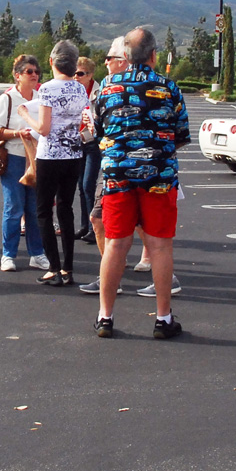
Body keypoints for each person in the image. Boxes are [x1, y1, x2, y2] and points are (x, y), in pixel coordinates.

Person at [91, 27, 190, 339]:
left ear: (125, 56)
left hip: (117, 176)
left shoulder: (106, 87)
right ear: (153, 55)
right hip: (158, 176)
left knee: (116, 244)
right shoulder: (169, 88)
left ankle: (105, 317)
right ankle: (163, 318)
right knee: (159, 245)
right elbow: (181, 136)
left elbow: (97, 132)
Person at [18, 40, 88, 286]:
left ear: (51, 62)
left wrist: (25, 114)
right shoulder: (81, 89)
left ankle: (54, 267)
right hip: (73, 155)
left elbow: (44, 129)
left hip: (50, 156)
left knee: (43, 211)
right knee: (66, 209)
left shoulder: (47, 89)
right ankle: (68, 267)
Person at [0, 55, 50, 272]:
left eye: (36, 71)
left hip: (37, 158)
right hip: (15, 158)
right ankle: (8, 255)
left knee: (35, 209)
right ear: (17, 76)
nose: (34, 75)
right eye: (29, 72)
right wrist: (18, 133)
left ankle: (37, 253)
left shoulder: (41, 97)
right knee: (14, 208)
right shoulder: (7, 99)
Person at [74, 55, 100, 244]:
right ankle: (84, 225)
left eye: (80, 73)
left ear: (90, 75)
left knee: (88, 184)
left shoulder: (99, 92)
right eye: (74, 72)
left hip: (94, 143)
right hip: (78, 142)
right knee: (81, 187)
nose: (76, 76)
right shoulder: (74, 91)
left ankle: (93, 227)